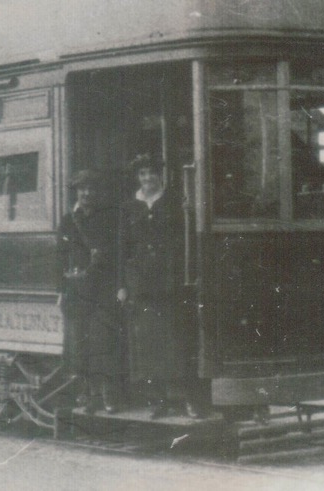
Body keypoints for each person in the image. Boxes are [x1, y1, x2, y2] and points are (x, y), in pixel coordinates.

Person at [117, 154, 191, 419]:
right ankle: (158, 399)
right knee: (148, 343)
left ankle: (179, 398)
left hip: (169, 280)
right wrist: (122, 285)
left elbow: (183, 237)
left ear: (159, 175)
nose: (147, 178)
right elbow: (122, 248)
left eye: (151, 173)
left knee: (173, 338)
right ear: (137, 178)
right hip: (140, 283)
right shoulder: (129, 207)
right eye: (142, 174)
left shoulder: (172, 201)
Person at [60, 169, 119, 414]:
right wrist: (60, 289)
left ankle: (106, 394)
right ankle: (86, 394)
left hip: (102, 289)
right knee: (79, 344)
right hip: (76, 289)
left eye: (91, 189)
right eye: (82, 189)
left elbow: (116, 253)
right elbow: (60, 256)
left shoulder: (107, 218)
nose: (87, 193)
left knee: (102, 342)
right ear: (77, 192)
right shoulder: (67, 220)